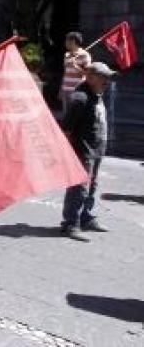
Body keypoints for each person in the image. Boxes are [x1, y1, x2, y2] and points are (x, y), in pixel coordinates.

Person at [60, 62, 116, 242]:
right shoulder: (80, 97)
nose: (108, 81)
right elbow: (66, 128)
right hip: (83, 151)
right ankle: (70, 224)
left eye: (108, 77)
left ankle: (86, 217)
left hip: (97, 149)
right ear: (90, 77)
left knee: (92, 187)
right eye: (104, 77)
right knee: (79, 188)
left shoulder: (96, 93)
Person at [59, 31, 91, 113]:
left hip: (77, 90)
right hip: (66, 90)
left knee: (76, 114)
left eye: (67, 40)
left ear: (73, 41)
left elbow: (88, 73)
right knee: (66, 114)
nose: (65, 43)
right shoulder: (66, 55)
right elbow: (66, 73)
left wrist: (75, 66)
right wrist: (61, 89)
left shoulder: (84, 55)